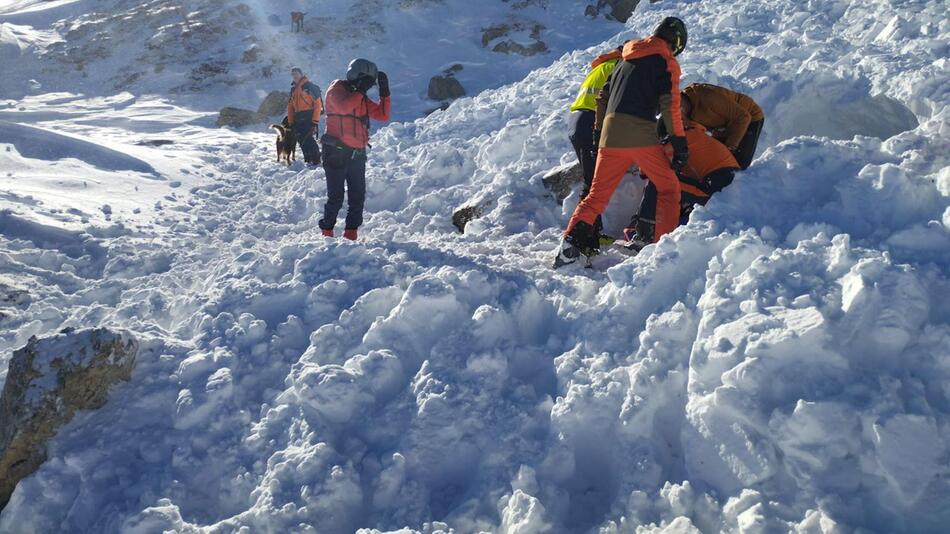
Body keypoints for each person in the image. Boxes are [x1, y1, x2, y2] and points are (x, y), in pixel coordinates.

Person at [554, 17, 689, 268]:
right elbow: (670, 105)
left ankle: (569, 248)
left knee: (596, 196)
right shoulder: (665, 61)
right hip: (639, 132)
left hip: (609, 135)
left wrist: (598, 133)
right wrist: (678, 142)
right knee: (668, 187)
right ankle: (663, 252)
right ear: (676, 43)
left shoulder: (624, 59)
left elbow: (603, 98)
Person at [624, 119, 740, 246]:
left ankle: (644, 235)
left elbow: (645, 172)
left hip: (714, 189)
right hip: (722, 187)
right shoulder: (692, 135)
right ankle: (650, 228)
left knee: (658, 183)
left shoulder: (677, 141)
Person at [318, 58, 391, 241]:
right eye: (367, 82)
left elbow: (382, 115)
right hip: (336, 152)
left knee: (357, 196)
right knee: (336, 196)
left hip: (357, 153)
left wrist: (385, 93)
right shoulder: (336, 89)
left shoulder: (360, 97)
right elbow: (343, 108)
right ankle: (327, 233)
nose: (367, 86)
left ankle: (351, 234)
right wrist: (360, 90)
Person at [567, 46, 624, 234]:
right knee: (593, 186)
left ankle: (592, 231)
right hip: (591, 120)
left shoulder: (603, 65)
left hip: (576, 120)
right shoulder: (620, 65)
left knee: (590, 181)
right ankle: (580, 235)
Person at [681, 83, 764, 170]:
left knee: (738, 162)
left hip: (749, 118)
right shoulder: (684, 114)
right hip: (726, 124)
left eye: (679, 107)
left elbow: (743, 117)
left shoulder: (708, 97)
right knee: (717, 159)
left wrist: (730, 146)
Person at [288, 67, 323, 166]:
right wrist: (290, 121)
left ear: (301, 74)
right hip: (298, 117)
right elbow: (290, 107)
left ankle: (316, 159)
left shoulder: (308, 86)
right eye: (293, 74)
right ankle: (308, 159)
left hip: (309, 115)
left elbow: (318, 104)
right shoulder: (293, 89)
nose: (295, 76)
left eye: (297, 73)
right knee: (300, 138)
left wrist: (315, 120)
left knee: (308, 138)